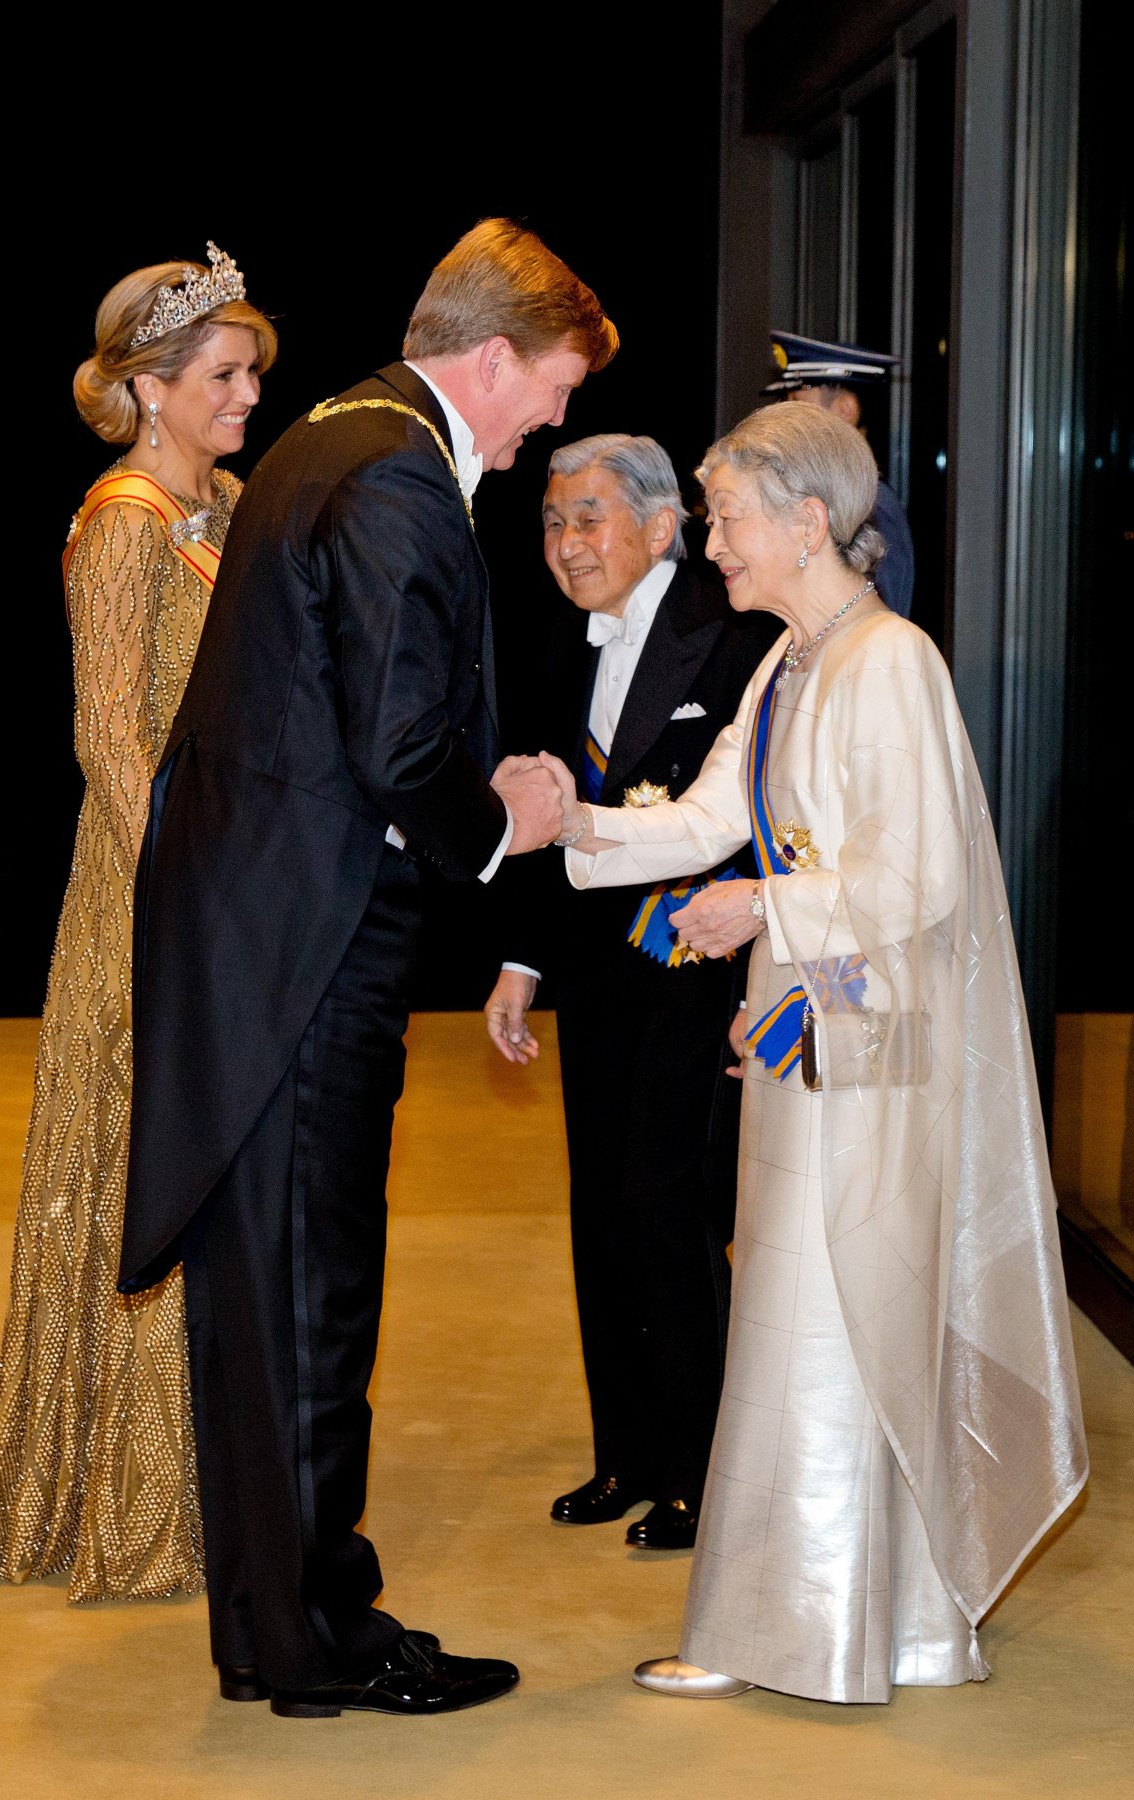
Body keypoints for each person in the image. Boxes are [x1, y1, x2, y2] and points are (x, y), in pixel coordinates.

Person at [116, 220, 617, 1718]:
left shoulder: (339, 431)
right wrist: (508, 815)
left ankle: (275, 1628)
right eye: (557, 388)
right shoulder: (398, 471)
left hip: (254, 943)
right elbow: (399, 750)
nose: (557, 423)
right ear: (494, 358)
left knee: (263, 1313)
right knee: (308, 1305)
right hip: (301, 964)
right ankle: (325, 1643)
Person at [541, 402, 1088, 1704]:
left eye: (725, 517)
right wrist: (555, 825)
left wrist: (759, 909)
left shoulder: (888, 661)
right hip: (812, 1034)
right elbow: (706, 818)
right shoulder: (788, 664)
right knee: (806, 1319)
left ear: (805, 520)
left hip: (873, 1046)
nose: (711, 541)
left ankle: (823, 1628)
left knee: (833, 1316)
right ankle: (865, 1624)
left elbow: (921, 873)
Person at [0, 245, 276, 1601]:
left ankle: (221, 1475)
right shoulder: (128, 519)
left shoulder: (233, 504)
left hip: (231, 872)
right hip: (152, 889)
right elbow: (106, 736)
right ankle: (133, 1498)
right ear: (151, 391)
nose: (250, 393)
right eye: (224, 374)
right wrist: (187, 903)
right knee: (150, 1150)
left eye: (254, 370)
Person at [484, 434, 777, 1549]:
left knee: (671, 1214)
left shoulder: (739, 631)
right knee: (600, 1214)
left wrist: (762, 966)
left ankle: (705, 1470)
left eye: (590, 518)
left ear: (661, 526)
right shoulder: (565, 637)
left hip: (696, 972)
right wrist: (523, 963)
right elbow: (543, 818)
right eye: (554, 521)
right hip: (598, 977)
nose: (567, 544)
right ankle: (630, 1457)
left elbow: (753, 821)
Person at [764, 329, 914, 617]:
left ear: (845, 411)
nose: (788, 418)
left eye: (797, 404)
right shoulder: (829, 496)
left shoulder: (873, 506)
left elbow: (882, 625)